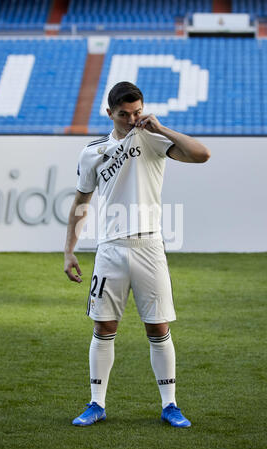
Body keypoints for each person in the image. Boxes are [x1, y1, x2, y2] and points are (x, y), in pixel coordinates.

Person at [64, 81, 210, 428]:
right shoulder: (92, 152)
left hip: (150, 246)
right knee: (104, 326)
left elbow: (202, 154)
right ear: (109, 113)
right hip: (111, 248)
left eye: (137, 112)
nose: (132, 120)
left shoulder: (153, 137)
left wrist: (159, 126)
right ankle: (96, 403)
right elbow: (81, 202)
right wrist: (69, 250)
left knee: (158, 327)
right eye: (124, 114)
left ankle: (170, 404)